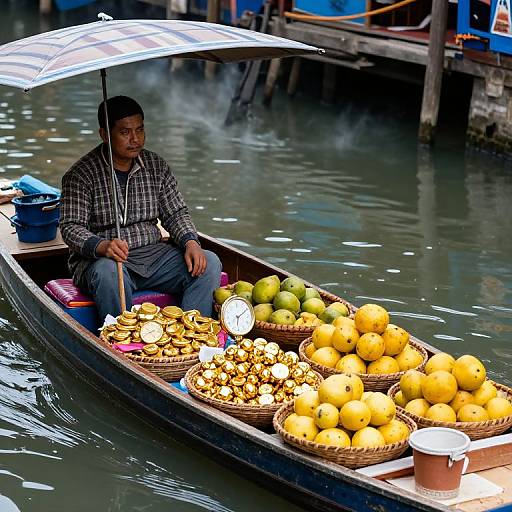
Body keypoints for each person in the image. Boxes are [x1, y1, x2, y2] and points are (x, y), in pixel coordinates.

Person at [60, 95, 221, 321]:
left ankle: (190, 336)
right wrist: (102, 246)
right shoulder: (80, 175)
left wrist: (190, 241)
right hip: (103, 261)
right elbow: (70, 227)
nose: (135, 139)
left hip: (153, 256)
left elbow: (176, 213)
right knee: (109, 274)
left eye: (140, 130)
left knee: (210, 262)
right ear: (105, 134)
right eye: (125, 132)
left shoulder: (157, 166)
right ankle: (119, 343)